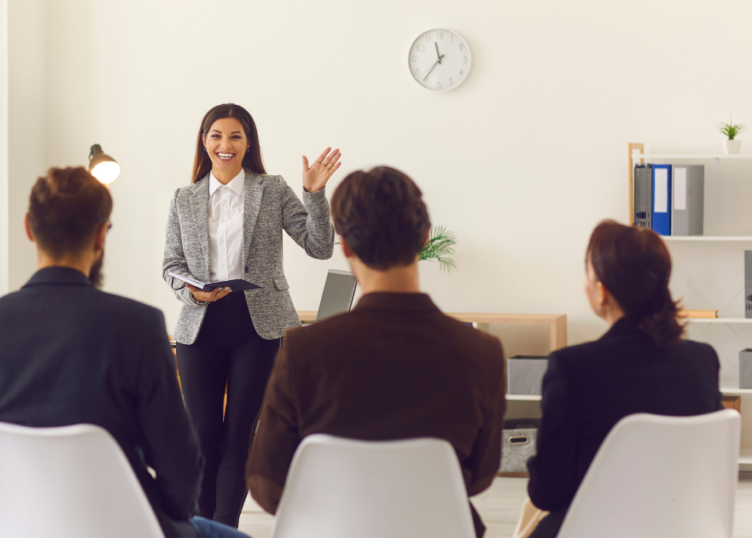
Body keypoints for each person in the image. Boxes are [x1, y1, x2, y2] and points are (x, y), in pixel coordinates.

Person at [0, 167, 250, 538]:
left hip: (20, 526)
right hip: (124, 526)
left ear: (29, 228)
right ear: (101, 236)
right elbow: (181, 471)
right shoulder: (138, 325)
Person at [246, 166, 506, 538]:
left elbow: (266, 483)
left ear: (346, 246)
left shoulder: (305, 350)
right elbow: (479, 476)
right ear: (425, 238)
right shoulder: (482, 352)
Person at [162, 103, 340, 527]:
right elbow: (170, 264)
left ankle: (224, 528)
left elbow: (320, 246)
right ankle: (200, 528)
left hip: (257, 324)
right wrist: (188, 290)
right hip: (201, 323)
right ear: (204, 142)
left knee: (239, 434)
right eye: (217, 136)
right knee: (202, 436)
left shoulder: (272, 188)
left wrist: (314, 194)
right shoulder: (184, 198)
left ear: (248, 143)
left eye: (236, 136)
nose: (226, 145)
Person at [523, 220, 723, 538]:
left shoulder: (572, 367)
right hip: (681, 528)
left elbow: (547, 493)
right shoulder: (703, 360)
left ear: (601, 291)